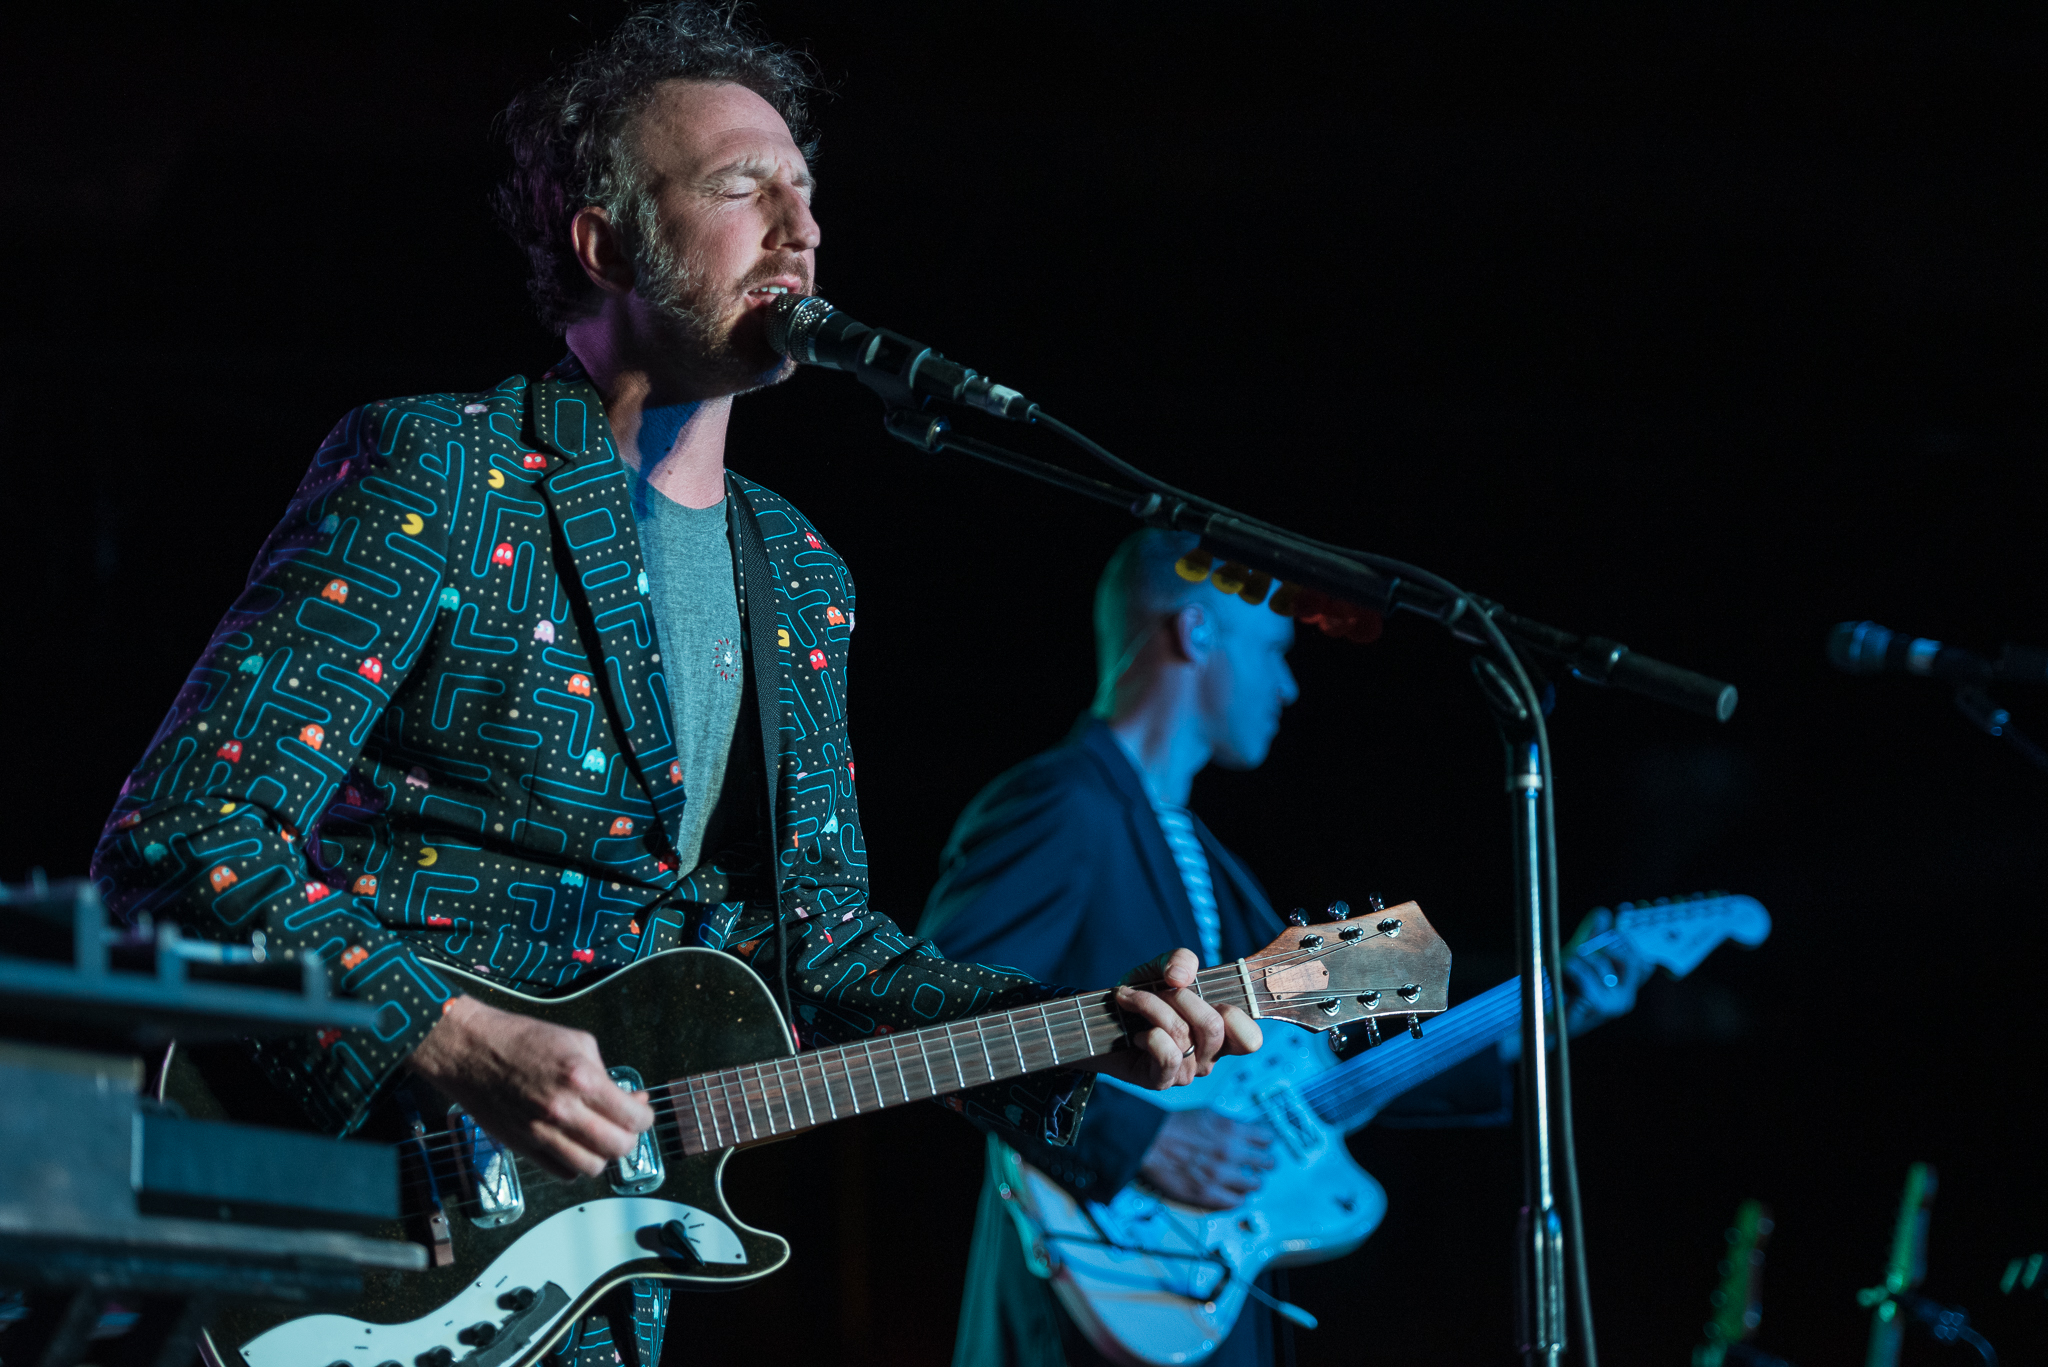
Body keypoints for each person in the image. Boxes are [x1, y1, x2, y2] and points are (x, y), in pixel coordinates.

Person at [86, 11, 1255, 1367]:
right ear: (605, 244)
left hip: (590, 1280)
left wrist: (1076, 1036)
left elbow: (828, 955)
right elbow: (182, 833)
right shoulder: (444, 470)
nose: (800, 229)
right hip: (355, 1199)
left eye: (805, 192)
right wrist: (453, 1038)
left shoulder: (799, 573)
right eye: (741, 187)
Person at [919, 528, 1650, 1367]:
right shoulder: (1065, 803)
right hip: (1085, 1302)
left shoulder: (1207, 857)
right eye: (1272, 650)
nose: (1290, 684)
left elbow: (1320, 1064)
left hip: (1203, 1291)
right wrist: (1142, 1139)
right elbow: (934, 1009)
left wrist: (1545, 1009)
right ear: (1195, 630)